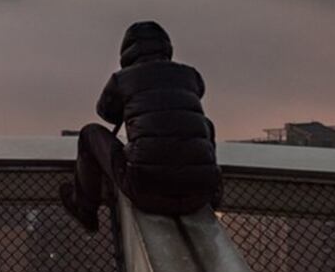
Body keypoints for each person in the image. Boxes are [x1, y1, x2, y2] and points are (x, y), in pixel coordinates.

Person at [60, 20, 221, 231]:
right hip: (199, 195)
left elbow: (105, 112)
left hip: (146, 190)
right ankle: (216, 197)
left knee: (89, 133)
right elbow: (195, 97)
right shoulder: (191, 75)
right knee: (205, 125)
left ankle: (85, 210)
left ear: (126, 53)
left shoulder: (122, 79)